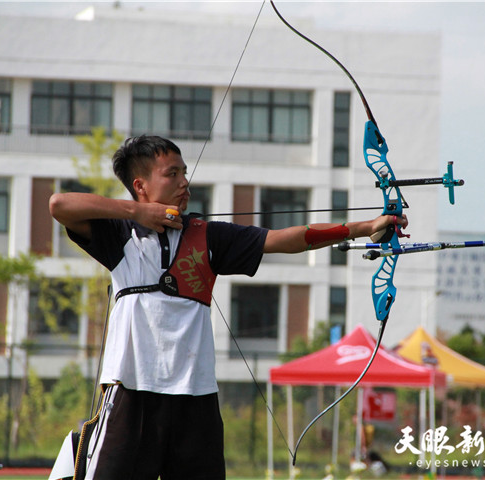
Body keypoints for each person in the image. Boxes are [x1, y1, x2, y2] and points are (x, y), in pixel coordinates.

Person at [48, 135, 408, 480]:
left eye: (184, 172)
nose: (183, 182)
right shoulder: (120, 233)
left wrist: (364, 227)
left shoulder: (207, 235)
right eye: (171, 174)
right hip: (131, 391)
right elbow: (58, 205)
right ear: (140, 185)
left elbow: (285, 239)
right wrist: (138, 212)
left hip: (195, 397)